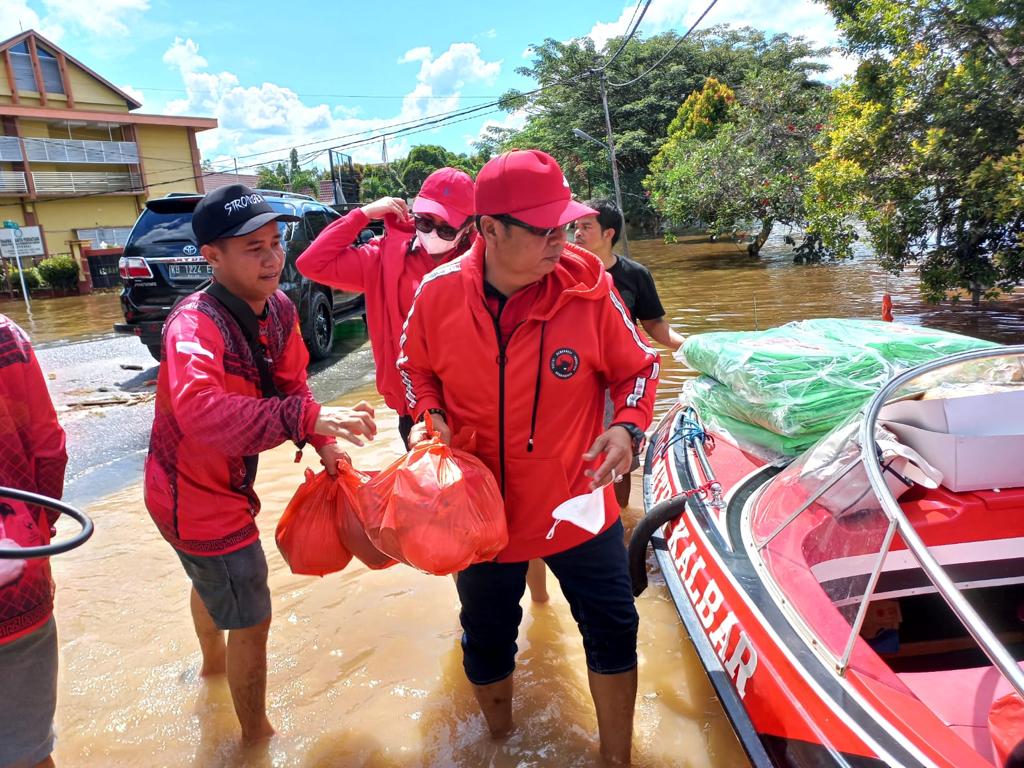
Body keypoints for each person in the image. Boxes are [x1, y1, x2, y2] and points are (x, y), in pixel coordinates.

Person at [399, 150, 660, 765]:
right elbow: (414, 371)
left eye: (565, 226)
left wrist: (625, 429)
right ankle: (498, 744)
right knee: (487, 638)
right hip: (482, 511)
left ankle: (617, 759)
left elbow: (640, 370)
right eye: (543, 229)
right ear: (489, 230)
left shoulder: (590, 293)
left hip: (576, 499)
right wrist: (427, 414)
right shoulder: (436, 295)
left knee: (615, 628)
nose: (559, 241)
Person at [144, 184, 377, 744]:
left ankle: (211, 670)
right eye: (253, 248)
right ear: (212, 257)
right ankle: (255, 739)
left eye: (276, 243)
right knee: (252, 613)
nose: (273, 258)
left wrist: (325, 445)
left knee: (211, 581)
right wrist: (309, 420)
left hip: (212, 484)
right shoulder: (193, 325)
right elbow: (203, 415)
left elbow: (293, 382)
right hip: (192, 493)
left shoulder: (279, 308)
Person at [296, 168, 550, 601]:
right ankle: (473, 612)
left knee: (522, 512)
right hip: (419, 416)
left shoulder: (489, 262)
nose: (431, 232)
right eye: (424, 220)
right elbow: (310, 263)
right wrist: (362, 215)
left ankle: (542, 603)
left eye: (445, 225)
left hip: (489, 409)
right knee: (446, 523)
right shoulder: (381, 259)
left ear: (471, 226)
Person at [573, 198, 684, 508]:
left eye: (585, 227)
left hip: (619, 379)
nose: (576, 234)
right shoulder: (561, 273)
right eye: (574, 227)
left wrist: (690, 347)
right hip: (575, 378)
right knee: (575, 456)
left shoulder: (634, 275)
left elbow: (656, 326)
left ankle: (620, 521)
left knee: (620, 457)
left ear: (608, 233)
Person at [0, 314, 68, 768]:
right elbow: (49, 447)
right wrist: (40, 527)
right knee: (27, 751)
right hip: (18, 576)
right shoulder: (6, 337)